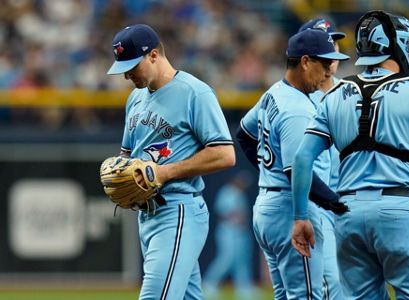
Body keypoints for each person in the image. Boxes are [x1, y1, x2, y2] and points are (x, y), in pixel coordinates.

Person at [291, 10, 409, 299]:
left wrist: (300, 216)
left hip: (348, 214)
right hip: (400, 207)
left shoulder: (335, 96)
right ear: (396, 46)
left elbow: (302, 159)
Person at [106, 24, 236, 300]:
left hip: (178, 210)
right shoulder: (135, 98)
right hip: (147, 215)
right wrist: (120, 171)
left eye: (132, 66)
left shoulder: (195, 93)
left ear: (153, 55)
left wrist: (164, 172)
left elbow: (225, 154)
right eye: (123, 69)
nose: (127, 75)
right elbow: (127, 154)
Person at [236, 29, 349, 299]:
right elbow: (296, 169)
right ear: (305, 61)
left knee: (286, 295)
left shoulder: (273, 93)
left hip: (267, 209)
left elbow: (244, 134)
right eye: (324, 64)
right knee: (308, 296)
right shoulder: (297, 109)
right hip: (291, 208)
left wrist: (269, 172)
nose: (328, 72)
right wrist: (337, 204)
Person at [298, 18, 346, 300]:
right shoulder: (297, 97)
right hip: (318, 203)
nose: (332, 49)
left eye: (335, 41)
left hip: (351, 203)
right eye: (325, 41)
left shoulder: (351, 92)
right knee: (330, 285)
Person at [203, 171, 256, 300]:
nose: (243, 184)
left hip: (240, 232)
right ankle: (209, 284)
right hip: (228, 231)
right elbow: (221, 212)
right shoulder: (227, 191)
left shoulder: (240, 194)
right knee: (226, 258)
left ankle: (244, 288)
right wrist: (236, 217)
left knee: (241, 260)